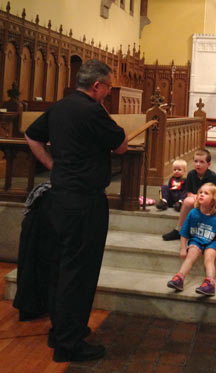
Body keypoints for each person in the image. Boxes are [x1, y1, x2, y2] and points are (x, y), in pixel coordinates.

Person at [24, 59, 128, 363]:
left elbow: (32, 136)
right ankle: (68, 343)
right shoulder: (92, 110)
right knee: (79, 271)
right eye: (107, 88)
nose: (108, 93)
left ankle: (62, 330)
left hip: (59, 198)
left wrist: (52, 165)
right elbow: (120, 145)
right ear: (96, 86)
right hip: (84, 202)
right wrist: (103, 108)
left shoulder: (60, 106)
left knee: (62, 266)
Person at [166, 183, 216, 296]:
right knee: (191, 254)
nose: (201, 194)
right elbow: (184, 232)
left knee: (209, 258)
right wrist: (183, 248)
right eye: (200, 192)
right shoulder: (193, 213)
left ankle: (210, 284)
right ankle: (179, 278)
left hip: (213, 242)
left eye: (206, 193)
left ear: (213, 200)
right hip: (196, 240)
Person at [162, 149, 216, 241]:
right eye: (196, 161)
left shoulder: (213, 177)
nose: (198, 164)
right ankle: (179, 230)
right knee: (188, 201)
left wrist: (199, 197)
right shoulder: (191, 174)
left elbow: (215, 197)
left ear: (208, 164)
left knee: (193, 201)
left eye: (201, 162)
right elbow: (188, 193)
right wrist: (193, 197)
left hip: (209, 204)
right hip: (195, 201)